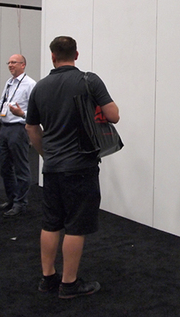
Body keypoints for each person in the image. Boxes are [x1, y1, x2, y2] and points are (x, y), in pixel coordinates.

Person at [26, 36, 119, 299]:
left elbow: (31, 128)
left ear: (53, 56)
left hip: (52, 166)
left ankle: (48, 278)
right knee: (76, 226)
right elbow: (113, 115)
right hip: (81, 164)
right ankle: (69, 283)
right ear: (76, 55)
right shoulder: (89, 81)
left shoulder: (40, 87)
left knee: (51, 223)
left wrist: (46, 154)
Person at [0, 54, 36, 217]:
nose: (10, 65)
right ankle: (11, 199)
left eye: (14, 62)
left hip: (18, 128)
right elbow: (4, 102)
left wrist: (22, 114)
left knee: (21, 167)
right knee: (5, 167)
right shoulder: (9, 82)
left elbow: (35, 110)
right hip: (4, 127)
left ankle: (20, 202)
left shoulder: (30, 84)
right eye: (8, 62)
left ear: (23, 65)